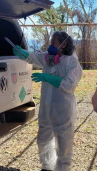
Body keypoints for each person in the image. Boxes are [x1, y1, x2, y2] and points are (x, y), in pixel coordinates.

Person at [13, 31, 82, 171]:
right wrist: (24, 54)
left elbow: (69, 84)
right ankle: (47, 166)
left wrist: (48, 78)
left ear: (64, 44)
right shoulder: (51, 57)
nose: (50, 45)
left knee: (64, 143)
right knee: (43, 139)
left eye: (53, 42)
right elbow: (35, 57)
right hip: (46, 108)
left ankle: (63, 168)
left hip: (62, 110)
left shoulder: (73, 62)